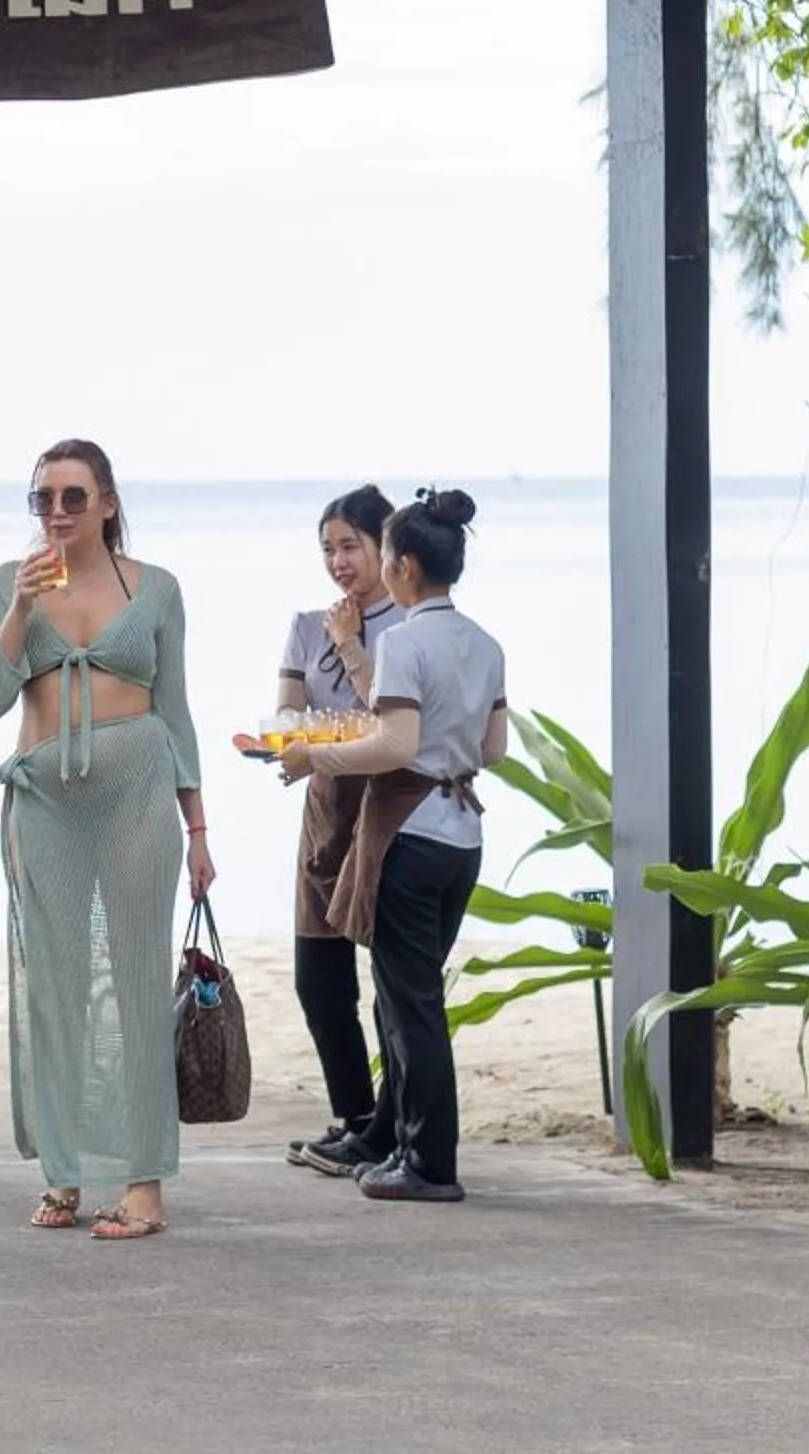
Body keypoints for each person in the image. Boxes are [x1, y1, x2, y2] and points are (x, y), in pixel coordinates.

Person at [0, 439, 210, 1241]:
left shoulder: (158, 589)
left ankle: (144, 1183)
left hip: (140, 794)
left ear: (107, 502)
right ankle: (64, 1172)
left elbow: (175, 710)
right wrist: (19, 611)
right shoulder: (12, 584)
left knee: (139, 984)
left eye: (74, 497)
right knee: (57, 987)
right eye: (43, 498)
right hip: (44, 803)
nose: (58, 512)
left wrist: (199, 826)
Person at [280, 488, 504, 1204]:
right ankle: (404, 1144)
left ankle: (429, 1162)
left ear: (402, 565)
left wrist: (316, 759)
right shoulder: (485, 642)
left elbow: (395, 745)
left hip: (408, 835)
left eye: (374, 553)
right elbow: (493, 749)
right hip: (462, 833)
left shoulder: (406, 640)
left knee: (410, 1009)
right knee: (415, 1000)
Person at [276, 485, 403, 1178]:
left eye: (351, 545)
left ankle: (391, 1123)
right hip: (326, 803)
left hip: (389, 804)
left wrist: (352, 645)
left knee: (392, 978)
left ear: (387, 548)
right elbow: (288, 712)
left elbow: (394, 723)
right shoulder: (304, 624)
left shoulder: (406, 626)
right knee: (318, 978)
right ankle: (355, 1117)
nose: (338, 561)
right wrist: (293, 741)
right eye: (328, 548)